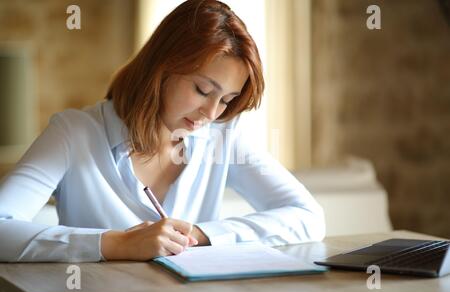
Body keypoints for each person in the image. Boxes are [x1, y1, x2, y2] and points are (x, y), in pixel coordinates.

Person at [0, 0, 325, 262]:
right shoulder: (73, 134)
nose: (211, 113)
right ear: (162, 68)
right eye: (201, 89)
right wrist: (115, 244)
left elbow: (308, 218)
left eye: (226, 99)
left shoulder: (222, 136)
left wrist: (200, 234)